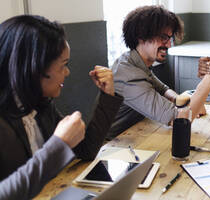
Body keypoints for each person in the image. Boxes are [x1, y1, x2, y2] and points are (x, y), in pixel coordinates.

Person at [0, 15, 123, 200]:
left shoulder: (40, 106)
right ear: (34, 68)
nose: (67, 72)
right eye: (63, 65)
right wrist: (58, 146)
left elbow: (86, 150)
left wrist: (108, 95)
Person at [107, 5, 210, 140]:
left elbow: (163, 90)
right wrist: (209, 80)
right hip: (113, 148)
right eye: (163, 37)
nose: (168, 45)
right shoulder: (128, 74)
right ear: (141, 36)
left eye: (170, 38)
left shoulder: (136, 61)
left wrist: (183, 103)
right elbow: (180, 121)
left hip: (137, 134)